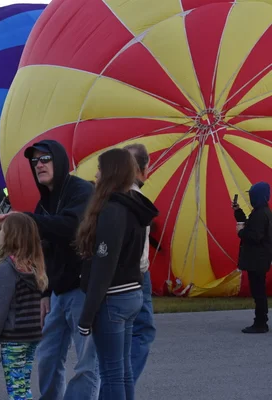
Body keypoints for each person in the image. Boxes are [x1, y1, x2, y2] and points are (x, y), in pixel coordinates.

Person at [0, 140, 98, 400]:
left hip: (83, 289)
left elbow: (71, 227)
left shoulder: (81, 190)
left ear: (59, 161)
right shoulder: (45, 203)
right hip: (57, 293)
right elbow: (46, 252)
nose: (39, 165)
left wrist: (26, 219)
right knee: (48, 358)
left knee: (86, 363)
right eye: (35, 161)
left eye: (45, 159)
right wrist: (44, 293)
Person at [76, 148, 158, 400]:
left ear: (110, 172)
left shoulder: (113, 210)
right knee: (122, 372)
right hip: (131, 293)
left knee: (111, 373)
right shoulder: (134, 206)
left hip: (113, 298)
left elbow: (104, 265)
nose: (97, 175)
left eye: (100, 169)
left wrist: (86, 316)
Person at [0, 213, 48, 400]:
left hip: (14, 337)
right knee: (23, 384)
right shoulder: (37, 266)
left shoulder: (7, 269)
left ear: (11, 235)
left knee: (16, 389)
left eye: (3, 230)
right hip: (33, 334)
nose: (0, 233)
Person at [124, 143, 156, 382]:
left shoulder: (106, 197)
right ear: (143, 169)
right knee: (141, 331)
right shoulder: (137, 200)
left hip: (121, 274)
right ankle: (121, 387)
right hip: (136, 275)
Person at [233, 182, 272, 334]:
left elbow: (255, 235)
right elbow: (250, 226)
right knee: (258, 291)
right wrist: (238, 212)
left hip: (257, 259)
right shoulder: (263, 212)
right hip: (260, 259)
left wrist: (241, 233)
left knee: (258, 292)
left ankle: (261, 323)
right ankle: (261, 321)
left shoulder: (259, 214)